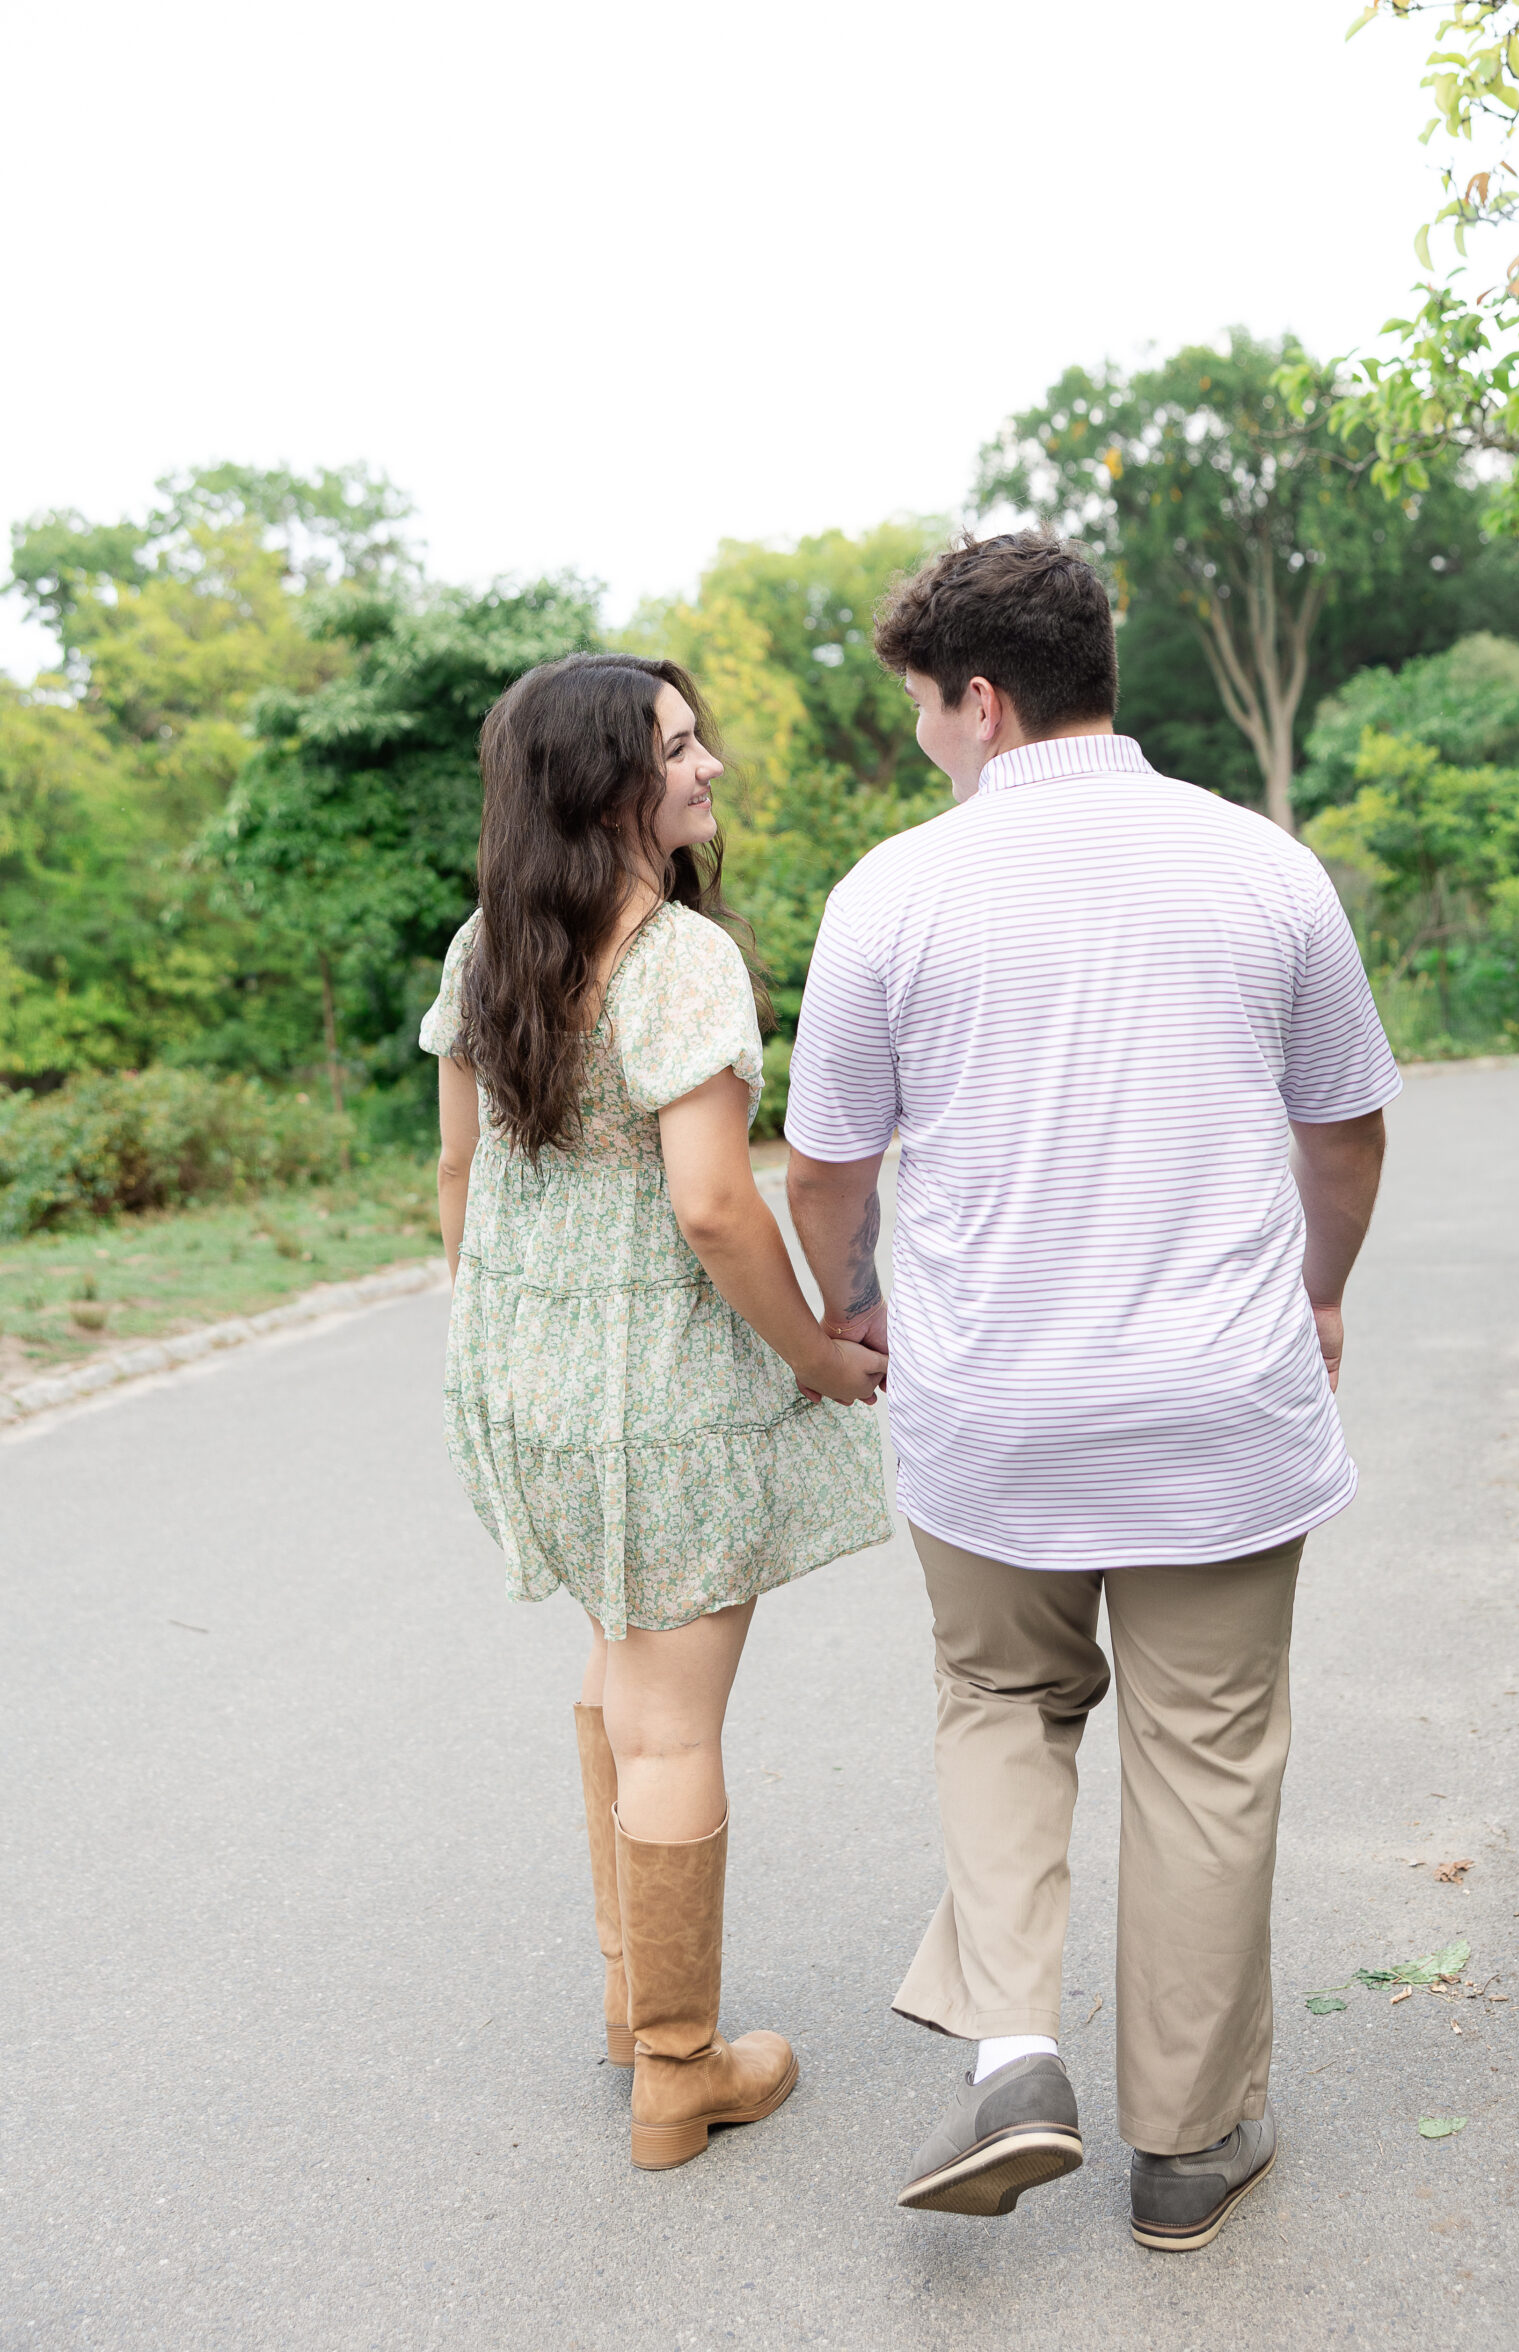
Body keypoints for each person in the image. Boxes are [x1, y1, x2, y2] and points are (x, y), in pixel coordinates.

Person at [783, 531, 1397, 2250]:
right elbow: (1343, 1129)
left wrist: (857, 1304)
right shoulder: (1264, 868)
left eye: (921, 706)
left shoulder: (891, 893)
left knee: (1002, 1703)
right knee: (1206, 1760)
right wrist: (1320, 1284)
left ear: (981, 701)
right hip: (1218, 1402)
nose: (921, 739)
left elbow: (826, 1170)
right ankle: (1189, 2152)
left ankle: (1018, 2052)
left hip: (992, 1410)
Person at [420, 652, 890, 2174]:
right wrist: (819, 1357)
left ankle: (638, 2010)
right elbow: (711, 1203)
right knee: (674, 1713)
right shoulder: (679, 958)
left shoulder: (486, 946)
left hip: (532, 1389)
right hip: (664, 1396)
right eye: (680, 751)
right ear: (606, 783)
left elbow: (456, 1180)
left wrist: (512, 1347)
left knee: (620, 1666)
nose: (712, 771)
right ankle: (682, 2077)